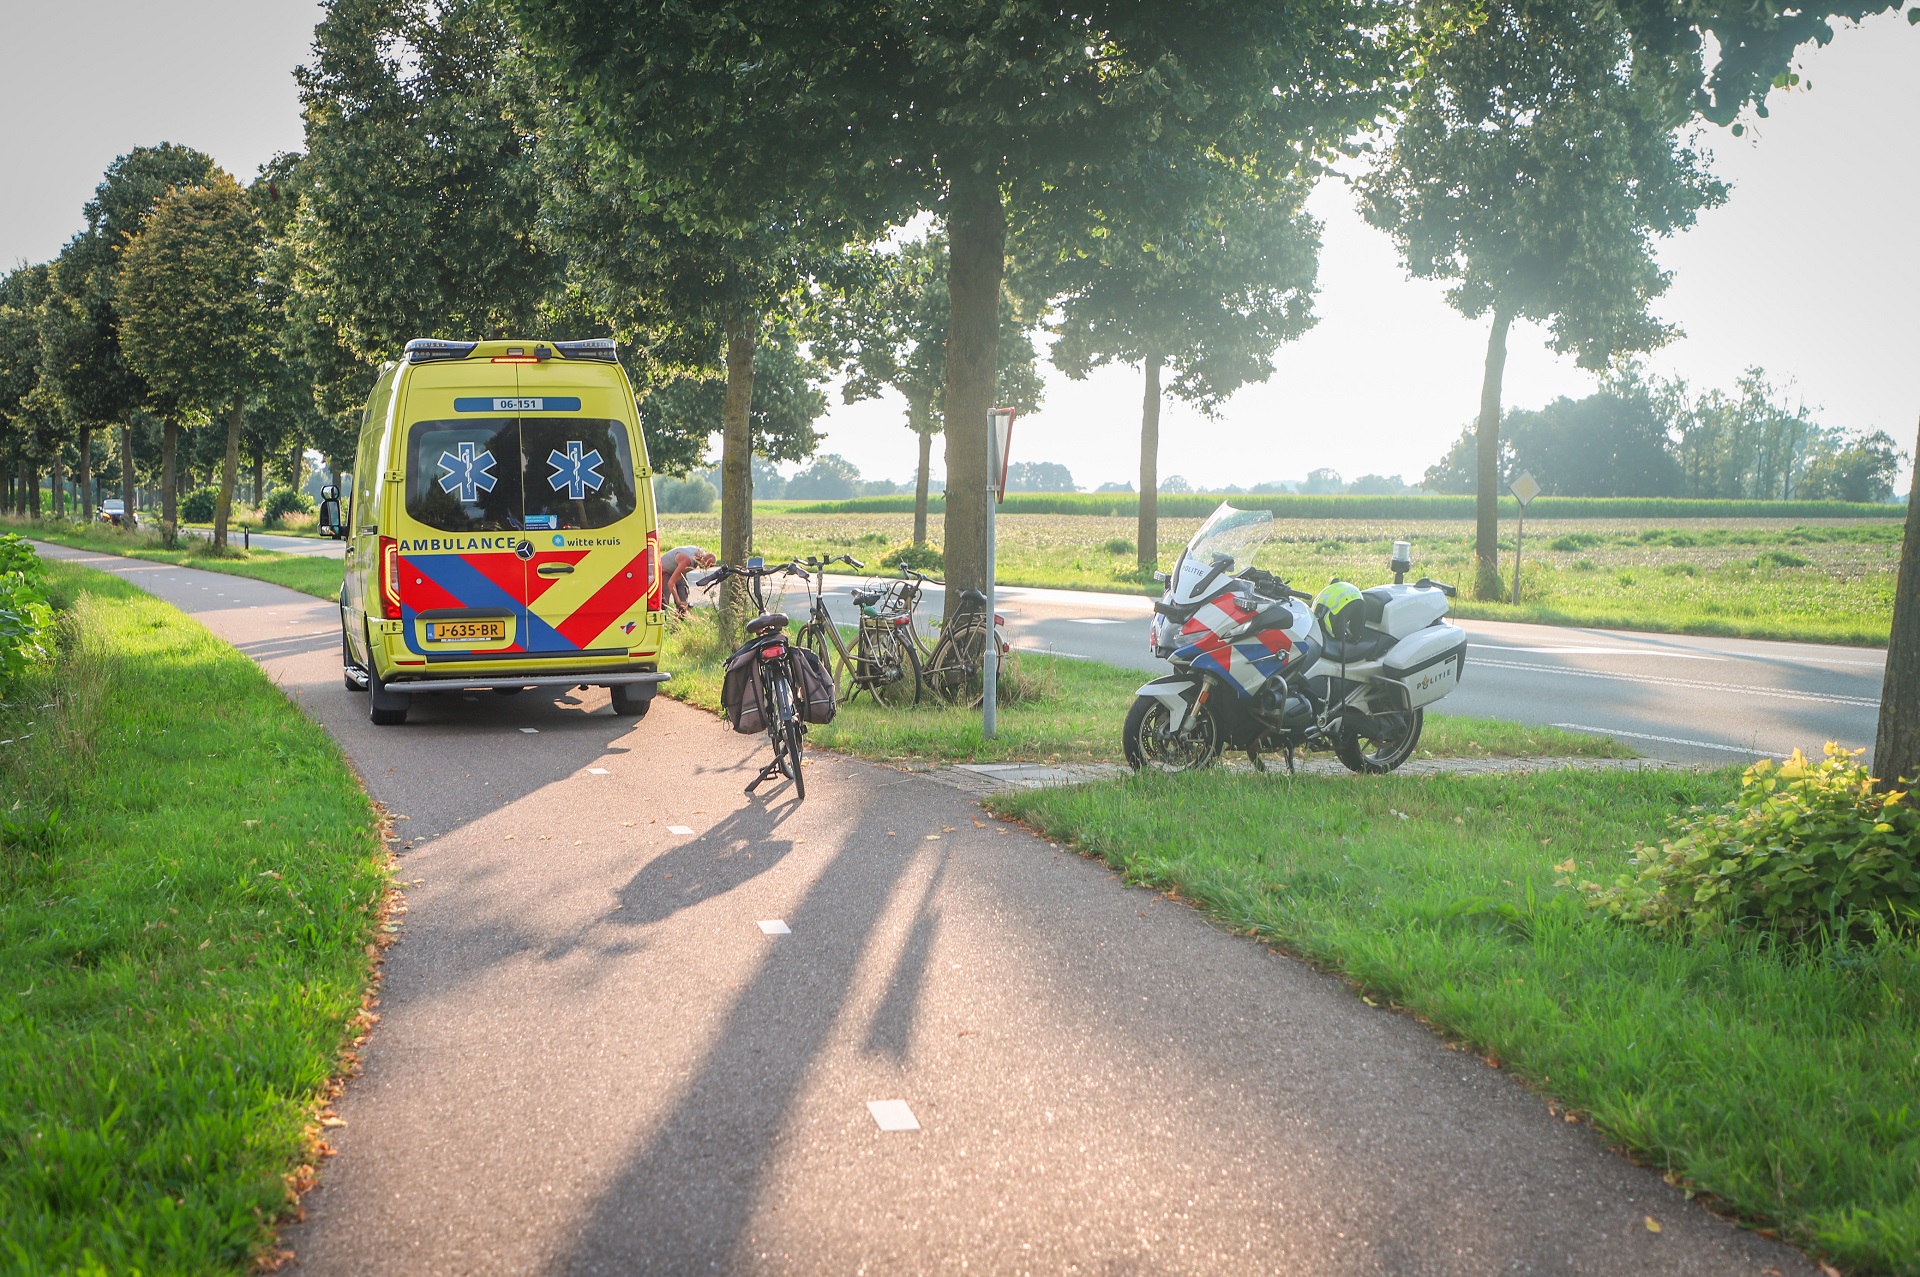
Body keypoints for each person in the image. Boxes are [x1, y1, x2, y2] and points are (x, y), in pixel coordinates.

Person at [659, 545, 717, 617]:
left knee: (683, 600)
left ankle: (677, 625)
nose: (706, 568)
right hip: (665, 570)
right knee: (663, 602)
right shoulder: (686, 561)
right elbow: (671, 583)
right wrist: (678, 601)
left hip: (678, 569)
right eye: (706, 565)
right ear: (703, 561)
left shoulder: (701, 554)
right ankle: (660, 623)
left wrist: (682, 603)